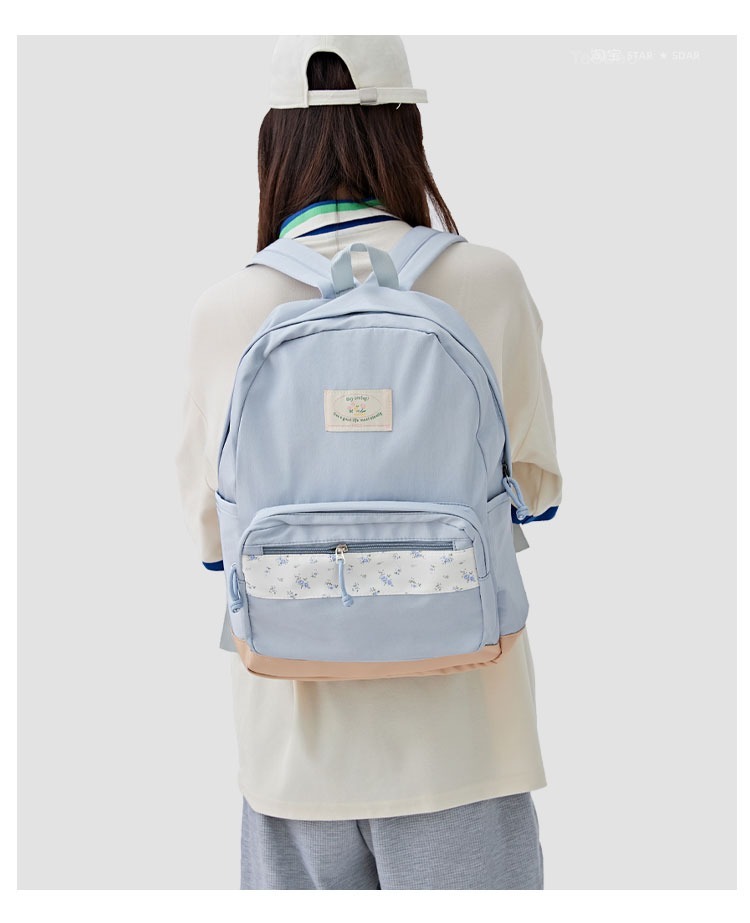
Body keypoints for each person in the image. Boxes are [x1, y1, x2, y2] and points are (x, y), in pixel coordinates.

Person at [175, 35, 563, 890]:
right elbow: (535, 490)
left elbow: (211, 540)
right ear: (404, 129)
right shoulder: (489, 280)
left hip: (292, 756)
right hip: (467, 745)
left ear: (274, 141)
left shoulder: (225, 308)